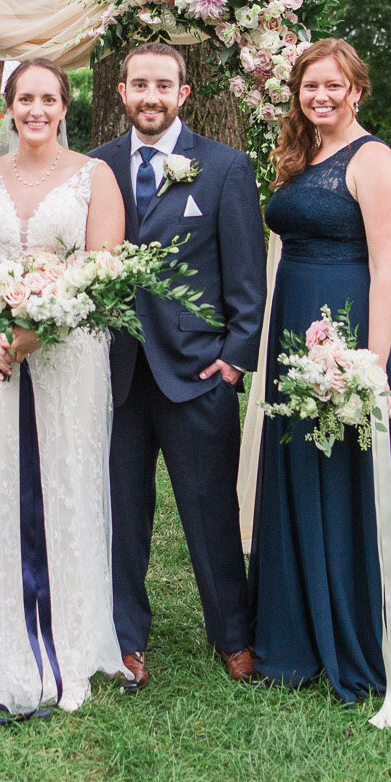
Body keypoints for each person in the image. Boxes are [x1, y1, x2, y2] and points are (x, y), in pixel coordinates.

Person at [249, 40, 391, 700]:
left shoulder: (373, 160)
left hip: (346, 329)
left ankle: (356, 632)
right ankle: (293, 632)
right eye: (310, 85)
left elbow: (385, 272)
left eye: (333, 85)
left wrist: (369, 366)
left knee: (347, 471)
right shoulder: (300, 153)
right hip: (294, 326)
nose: (320, 95)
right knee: (298, 465)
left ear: (357, 91)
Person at [0, 58, 129, 717]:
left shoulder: (93, 176)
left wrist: (37, 329)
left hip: (67, 356)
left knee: (64, 479)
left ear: (63, 106)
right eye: (23, 97)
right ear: (9, 106)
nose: (35, 108)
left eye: (46, 97)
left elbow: (102, 271)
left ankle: (68, 638)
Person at [87, 43, 264, 689]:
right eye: (140, 84)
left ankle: (234, 635)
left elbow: (247, 278)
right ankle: (127, 637)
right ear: (123, 92)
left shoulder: (225, 168)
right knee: (123, 512)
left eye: (163, 84)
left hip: (197, 372)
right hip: (118, 372)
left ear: (183, 94)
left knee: (210, 507)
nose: (151, 95)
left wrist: (234, 361)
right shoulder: (98, 165)